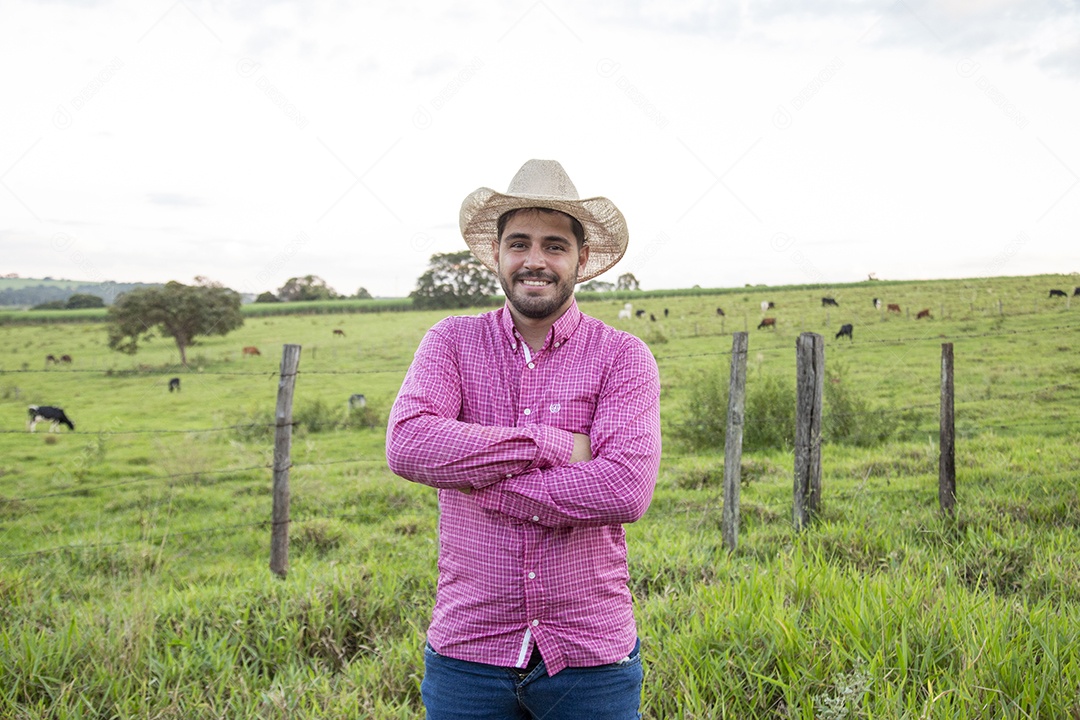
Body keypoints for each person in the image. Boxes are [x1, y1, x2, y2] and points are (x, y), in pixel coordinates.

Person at [387, 159, 661, 719]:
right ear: (498, 253)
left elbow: (625, 490)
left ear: (581, 259)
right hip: (470, 650)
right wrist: (555, 446)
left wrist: (477, 482)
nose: (536, 260)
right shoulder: (451, 343)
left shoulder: (622, 356)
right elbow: (409, 443)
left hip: (589, 655)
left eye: (555, 245)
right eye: (520, 243)